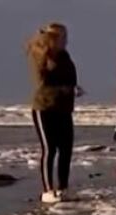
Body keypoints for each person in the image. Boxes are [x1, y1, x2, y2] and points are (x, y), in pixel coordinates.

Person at [27, 22, 83, 204]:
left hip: (64, 109)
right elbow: (42, 83)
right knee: (49, 149)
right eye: (63, 37)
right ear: (54, 38)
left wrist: (74, 88)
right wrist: (66, 89)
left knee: (66, 149)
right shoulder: (41, 56)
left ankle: (63, 188)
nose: (66, 41)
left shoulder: (65, 57)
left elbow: (70, 79)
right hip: (44, 107)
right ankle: (47, 190)